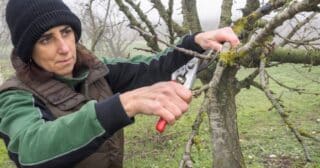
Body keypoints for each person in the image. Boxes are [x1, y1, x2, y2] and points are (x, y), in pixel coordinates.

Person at [0, 0, 240, 167]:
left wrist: (195, 44)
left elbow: (151, 68)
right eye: (46, 39)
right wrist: (123, 105)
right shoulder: (15, 96)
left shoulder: (96, 71)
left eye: (66, 31)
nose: (64, 48)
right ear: (28, 50)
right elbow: (30, 148)